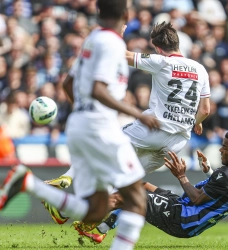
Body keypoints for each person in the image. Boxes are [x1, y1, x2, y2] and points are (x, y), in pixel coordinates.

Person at [0, 1, 160, 250]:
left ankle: (28, 183)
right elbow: (98, 89)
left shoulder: (92, 39)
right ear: (126, 15)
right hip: (100, 127)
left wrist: (82, 113)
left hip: (80, 125)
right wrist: (138, 114)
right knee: (136, 200)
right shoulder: (112, 43)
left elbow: (67, 84)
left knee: (94, 211)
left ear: (98, 12)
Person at [43, 21, 211, 225]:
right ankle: (74, 211)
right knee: (124, 177)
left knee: (103, 145)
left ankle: (68, 177)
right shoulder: (200, 69)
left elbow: (124, 55)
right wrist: (197, 122)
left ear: (158, 47)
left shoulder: (161, 61)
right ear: (178, 44)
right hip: (177, 142)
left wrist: (116, 34)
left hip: (152, 129)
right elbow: (205, 110)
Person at [71, 129, 228, 242]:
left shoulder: (225, 175)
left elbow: (197, 198)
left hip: (184, 218)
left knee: (125, 196)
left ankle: (79, 214)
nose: (220, 149)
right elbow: (224, 190)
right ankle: (103, 229)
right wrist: (209, 172)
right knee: (139, 185)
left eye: (225, 147)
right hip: (186, 210)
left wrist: (181, 176)